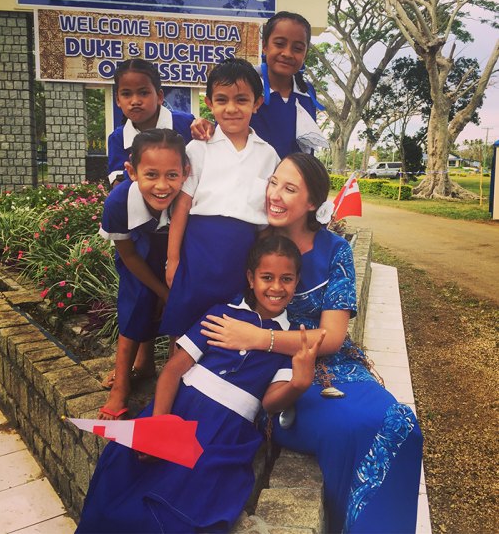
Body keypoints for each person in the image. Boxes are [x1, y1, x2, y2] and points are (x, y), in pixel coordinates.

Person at [201, 153, 424, 534]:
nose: (274, 194)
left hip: (338, 367)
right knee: (356, 428)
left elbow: (332, 337)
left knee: (400, 423)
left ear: (312, 204)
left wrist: (261, 337)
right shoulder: (251, 241)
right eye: (273, 182)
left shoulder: (335, 250)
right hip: (273, 375)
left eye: (289, 188)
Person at [76, 235, 325, 534]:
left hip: (223, 433)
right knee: (118, 470)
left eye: (286, 279)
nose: (276, 287)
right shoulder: (221, 314)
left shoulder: (291, 343)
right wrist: (158, 428)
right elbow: (171, 370)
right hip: (176, 412)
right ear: (250, 277)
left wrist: (300, 381)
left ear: (297, 281)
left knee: (178, 506)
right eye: (267, 277)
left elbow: (270, 403)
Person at [160, 58, 280, 339]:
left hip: (241, 257)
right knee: (185, 324)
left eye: (241, 100)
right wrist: (173, 259)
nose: (231, 108)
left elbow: (268, 219)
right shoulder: (199, 148)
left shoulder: (268, 155)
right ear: (210, 103)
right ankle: (176, 381)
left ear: (257, 103)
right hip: (198, 251)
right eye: (222, 100)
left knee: (227, 327)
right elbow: (183, 205)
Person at [98, 128, 190, 420]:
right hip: (137, 259)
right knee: (136, 302)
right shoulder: (118, 203)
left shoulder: (188, 199)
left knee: (181, 309)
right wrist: (161, 292)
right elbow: (129, 257)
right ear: (132, 171)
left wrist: (171, 294)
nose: (162, 186)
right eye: (151, 174)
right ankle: (121, 386)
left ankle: (174, 383)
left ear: (185, 172)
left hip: (178, 258)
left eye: (172, 175)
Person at [191, 11, 327, 158]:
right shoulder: (247, 85)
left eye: (298, 48)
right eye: (279, 44)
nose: (287, 53)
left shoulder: (307, 92)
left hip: (292, 179)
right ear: (265, 46)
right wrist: (205, 125)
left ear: (305, 54)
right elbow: (226, 119)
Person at [107, 58, 194, 188]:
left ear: (159, 96)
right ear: (118, 100)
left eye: (143, 93)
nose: (135, 101)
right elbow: (118, 185)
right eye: (126, 94)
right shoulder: (118, 138)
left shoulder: (187, 124)